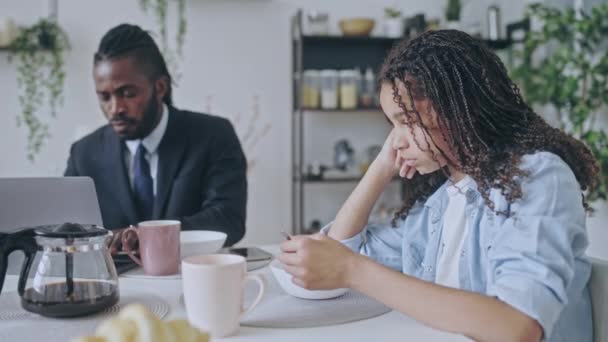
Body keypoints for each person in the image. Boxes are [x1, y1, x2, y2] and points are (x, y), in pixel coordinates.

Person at [279, 30, 597, 342]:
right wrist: (380, 168)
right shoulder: (442, 201)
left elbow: (517, 326)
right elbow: (339, 253)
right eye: (392, 125)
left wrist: (353, 270)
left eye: (407, 121)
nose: (396, 141)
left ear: (460, 109)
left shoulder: (538, 178)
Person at [65, 24, 247, 248]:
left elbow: (228, 220)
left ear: (160, 87)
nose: (115, 108)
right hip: (113, 281)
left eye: (128, 93)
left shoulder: (213, 135)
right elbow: (67, 231)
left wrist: (146, 235)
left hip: (189, 278)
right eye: (104, 97)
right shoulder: (83, 154)